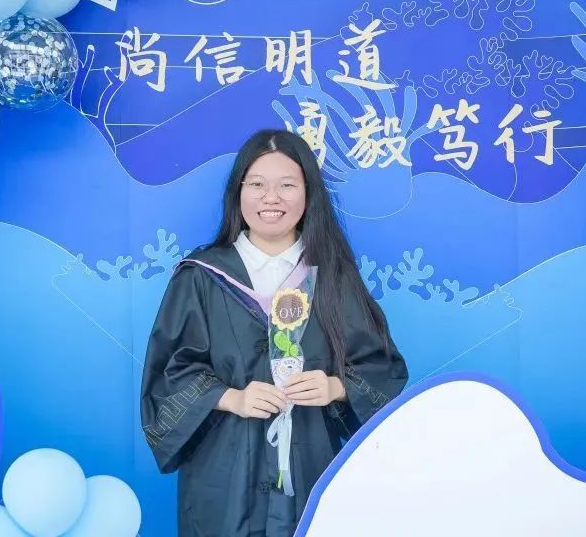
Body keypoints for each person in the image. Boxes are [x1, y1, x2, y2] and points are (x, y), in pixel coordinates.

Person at [140, 130, 408, 536]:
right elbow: (166, 374)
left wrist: (335, 387)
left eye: (287, 185)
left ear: (308, 194)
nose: (271, 198)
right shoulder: (201, 276)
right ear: (238, 193)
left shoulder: (333, 277)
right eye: (257, 185)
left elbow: (382, 368)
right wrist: (231, 397)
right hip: (223, 475)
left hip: (311, 464)